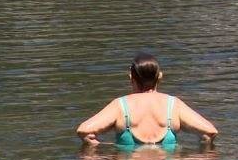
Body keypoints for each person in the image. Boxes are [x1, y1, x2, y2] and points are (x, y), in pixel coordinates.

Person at [76, 53, 218, 149]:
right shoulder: (174, 104)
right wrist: (197, 159)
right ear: (160, 77)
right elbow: (210, 132)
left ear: (131, 77)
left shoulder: (120, 105)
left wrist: (99, 157)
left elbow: (84, 131)